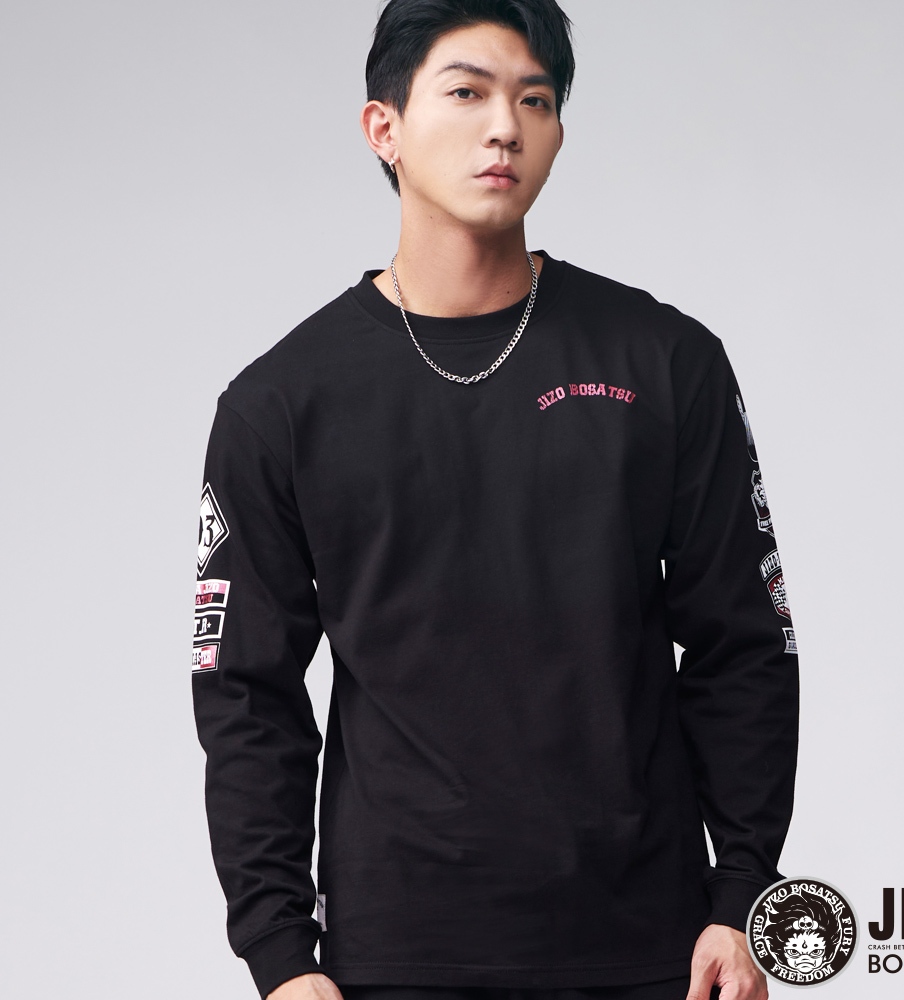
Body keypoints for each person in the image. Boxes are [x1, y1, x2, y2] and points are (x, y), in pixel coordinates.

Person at [191, 2, 799, 1000]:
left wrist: (741, 898)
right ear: (383, 127)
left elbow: (743, 642)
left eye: (535, 100)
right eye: (467, 93)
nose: (505, 127)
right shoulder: (282, 404)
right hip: (393, 960)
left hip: (653, 951)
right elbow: (246, 693)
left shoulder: (664, 362)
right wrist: (281, 957)